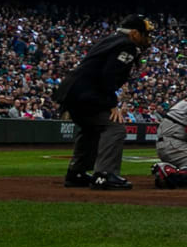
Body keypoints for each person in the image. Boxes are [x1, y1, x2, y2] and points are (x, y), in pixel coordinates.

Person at [51, 15, 153, 191]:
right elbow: (108, 75)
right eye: (145, 34)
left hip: (73, 92)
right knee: (115, 127)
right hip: (85, 93)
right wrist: (112, 103)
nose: (147, 39)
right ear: (135, 33)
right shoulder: (127, 45)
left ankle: (77, 173)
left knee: (91, 128)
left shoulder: (111, 40)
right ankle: (104, 175)